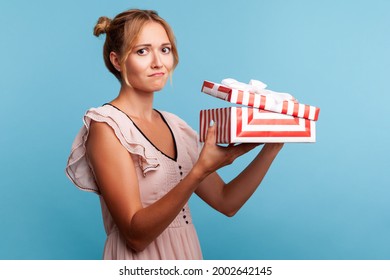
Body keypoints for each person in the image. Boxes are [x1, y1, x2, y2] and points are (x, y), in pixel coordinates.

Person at [65, 9, 284, 260]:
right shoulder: (107, 127)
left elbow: (227, 202)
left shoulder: (175, 126)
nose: (158, 62)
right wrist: (198, 172)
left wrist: (272, 145)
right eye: (142, 51)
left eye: (165, 49)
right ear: (117, 61)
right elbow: (135, 236)